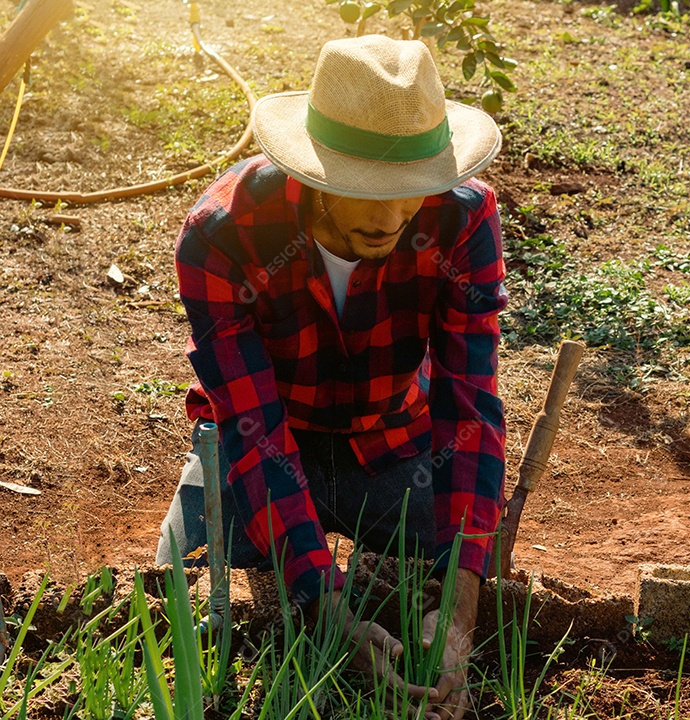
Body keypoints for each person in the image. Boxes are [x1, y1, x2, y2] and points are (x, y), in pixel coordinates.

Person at [155, 34, 506, 720]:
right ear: (310, 171)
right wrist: (326, 609)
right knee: (185, 588)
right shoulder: (224, 235)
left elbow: (470, 409)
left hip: (391, 439)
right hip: (256, 441)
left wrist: (458, 612)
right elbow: (254, 430)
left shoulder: (463, 218)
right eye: (363, 190)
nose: (388, 215)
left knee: (457, 557)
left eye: (409, 190)